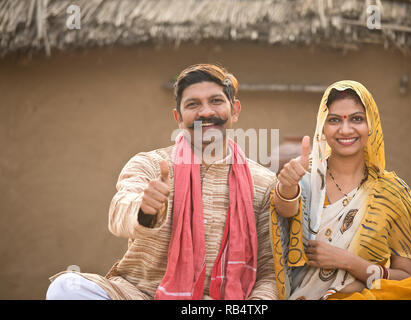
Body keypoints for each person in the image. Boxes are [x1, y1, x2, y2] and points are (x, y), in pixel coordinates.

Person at [46, 64, 278, 300]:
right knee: (66, 288)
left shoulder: (264, 182)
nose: (206, 112)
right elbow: (119, 213)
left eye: (216, 101)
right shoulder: (149, 164)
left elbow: (269, 271)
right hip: (139, 293)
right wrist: (146, 208)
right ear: (178, 118)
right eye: (193, 104)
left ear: (235, 110)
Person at [270, 80, 411, 300]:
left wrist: (350, 262)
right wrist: (287, 186)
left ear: (371, 124)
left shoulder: (393, 193)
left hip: (365, 297)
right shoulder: (305, 179)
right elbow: (285, 211)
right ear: (323, 127)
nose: (346, 129)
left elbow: (409, 278)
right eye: (334, 120)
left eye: (357, 119)